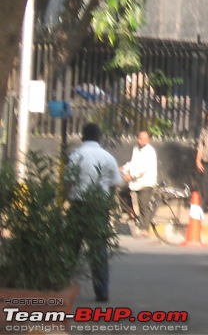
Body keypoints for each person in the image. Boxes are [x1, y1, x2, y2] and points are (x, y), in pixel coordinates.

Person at [67, 123, 122, 302]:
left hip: (77, 205)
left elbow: (68, 181)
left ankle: (62, 284)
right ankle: (102, 291)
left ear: (82, 137)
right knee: (98, 250)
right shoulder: (107, 157)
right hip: (98, 206)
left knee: (71, 248)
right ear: (99, 137)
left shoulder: (75, 155)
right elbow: (115, 184)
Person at [119, 130, 158, 235]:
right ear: (138, 139)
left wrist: (131, 175)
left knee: (143, 206)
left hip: (146, 182)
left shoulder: (149, 151)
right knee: (122, 193)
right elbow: (134, 162)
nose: (143, 141)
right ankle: (130, 213)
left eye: (145, 139)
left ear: (148, 140)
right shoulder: (136, 149)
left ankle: (144, 229)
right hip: (136, 182)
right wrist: (124, 168)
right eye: (141, 138)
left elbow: (142, 168)